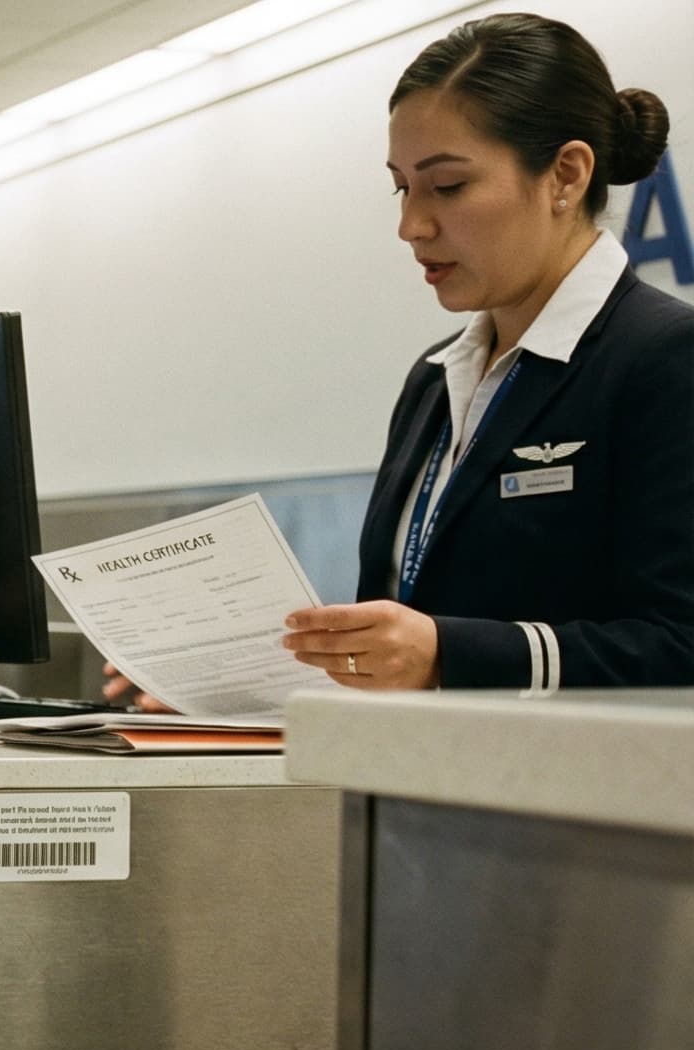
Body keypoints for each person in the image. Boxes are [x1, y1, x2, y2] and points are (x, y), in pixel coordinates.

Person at [115, 14, 690, 702]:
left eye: (446, 187)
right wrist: (255, 669)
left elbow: (679, 642)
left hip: (569, 800)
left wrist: (452, 653)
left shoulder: (662, 357)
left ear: (565, 174)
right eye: (402, 187)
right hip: (417, 790)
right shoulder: (436, 375)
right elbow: (411, 623)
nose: (411, 226)